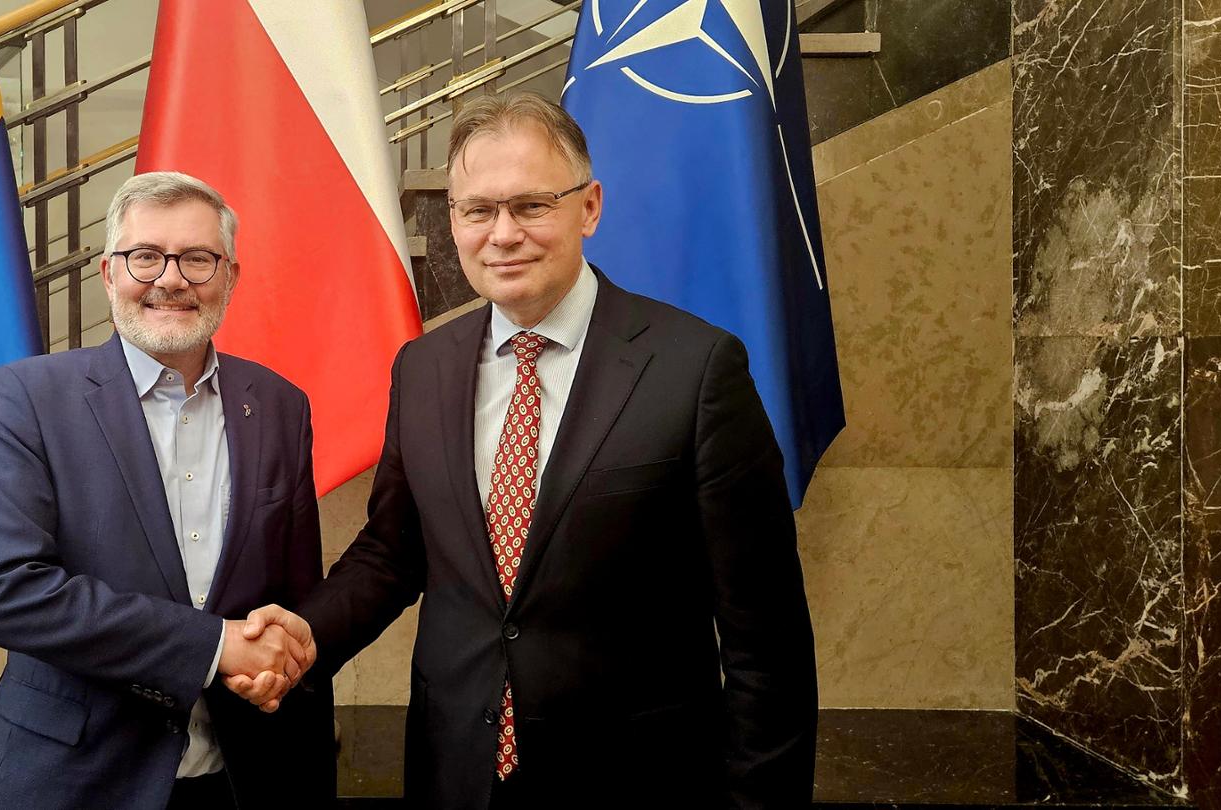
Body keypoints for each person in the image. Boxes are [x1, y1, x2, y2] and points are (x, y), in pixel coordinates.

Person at [236, 91, 818, 809]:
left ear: (590, 207)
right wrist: (305, 633)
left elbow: (768, 636)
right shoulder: (423, 368)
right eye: (478, 210)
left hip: (636, 781)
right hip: (456, 771)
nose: (503, 234)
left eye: (532, 205)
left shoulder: (695, 369)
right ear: (453, 222)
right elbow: (393, 551)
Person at [0, 171, 333, 810]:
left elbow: (295, 595)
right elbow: (10, 594)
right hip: (79, 780)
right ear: (109, 274)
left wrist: (281, 674)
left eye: (198, 259)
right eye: (145, 257)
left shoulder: (281, 405)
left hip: (247, 775)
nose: (170, 279)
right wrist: (214, 647)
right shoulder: (26, 398)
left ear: (230, 277)